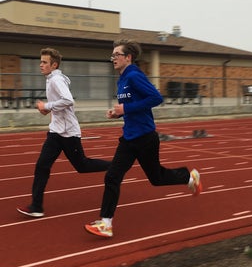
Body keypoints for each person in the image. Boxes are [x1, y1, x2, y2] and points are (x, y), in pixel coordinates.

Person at [85, 39, 203, 238]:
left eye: (117, 55)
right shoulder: (121, 78)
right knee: (113, 176)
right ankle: (106, 223)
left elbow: (156, 98)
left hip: (145, 138)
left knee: (156, 178)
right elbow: (133, 104)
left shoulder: (134, 75)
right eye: (112, 55)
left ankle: (189, 177)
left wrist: (126, 108)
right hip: (129, 138)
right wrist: (119, 113)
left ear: (128, 57)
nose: (113, 58)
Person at [17, 48, 111, 218]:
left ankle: (115, 165)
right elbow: (59, 103)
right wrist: (48, 110)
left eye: (44, 62)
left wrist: (46, 106)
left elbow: (68, 100)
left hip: (68, 134)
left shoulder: (56, 79)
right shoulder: (52, 78)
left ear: (54, 65)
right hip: (55, 132)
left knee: (82, 166)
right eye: (41, 61)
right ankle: (36, 206)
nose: (41, 65)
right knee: (42, 166)